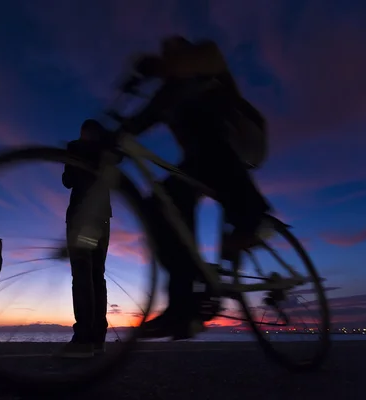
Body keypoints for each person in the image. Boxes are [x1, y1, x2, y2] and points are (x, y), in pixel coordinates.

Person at [104, 36, 272, 340]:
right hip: (200, 162)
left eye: (174, 51)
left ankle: (253, 215)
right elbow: (139, 121)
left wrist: (152, 67)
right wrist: (112, 138)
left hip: (241, 138)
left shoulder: (207, 59)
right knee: (162, 206)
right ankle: (183, 308)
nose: (169, 57)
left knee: (208, 146)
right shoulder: (167, 95)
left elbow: (187, 64)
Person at [56, 119, 113, 358]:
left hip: (84, 218)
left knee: (83, 272)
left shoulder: (76, 147)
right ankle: (98, 338)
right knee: (96, 275)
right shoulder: (106, 150)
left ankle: (84, 339)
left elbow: (68, 181)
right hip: (102, 220)